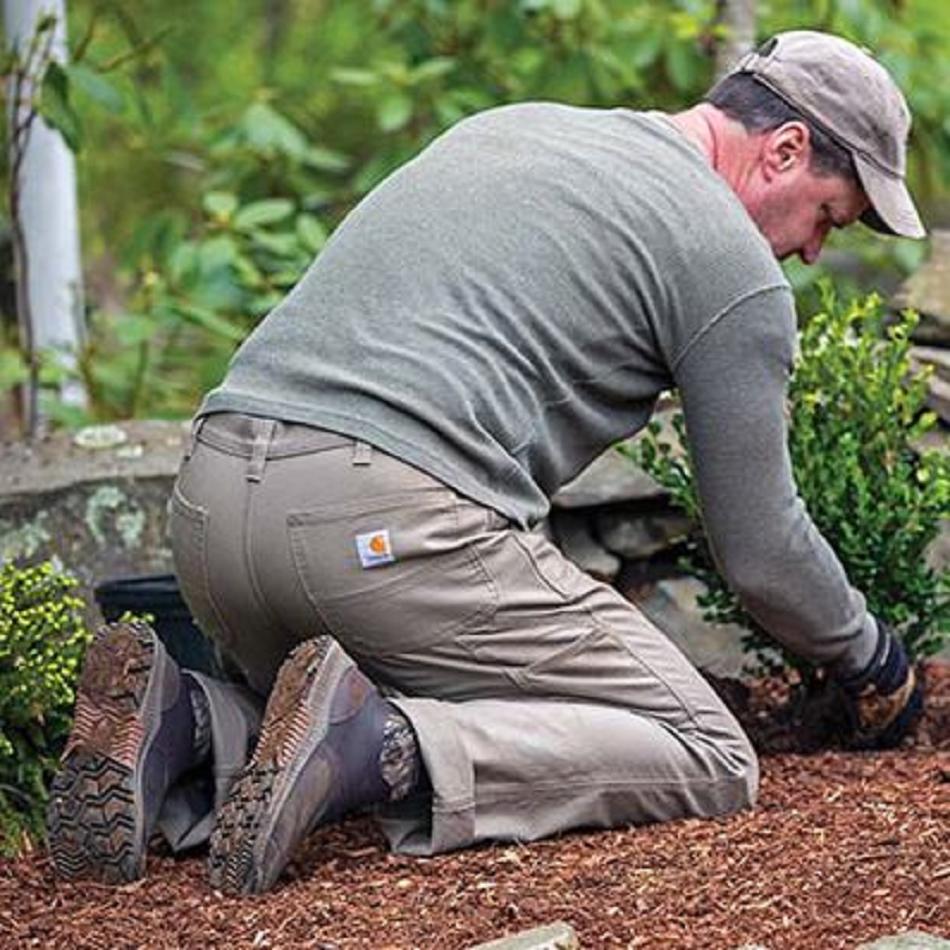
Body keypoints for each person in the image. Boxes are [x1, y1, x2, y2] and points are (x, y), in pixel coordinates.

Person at [48, 30, 925, 895]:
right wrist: (872, 658)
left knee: (405, 690)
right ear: (784, 149)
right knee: (704, 747)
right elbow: (762, 550)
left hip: (209, 512)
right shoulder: (728, 263)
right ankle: (381, 744)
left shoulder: (514, 127)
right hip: (379, 532)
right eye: (828, 216)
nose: (812, 251)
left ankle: (188, 722)